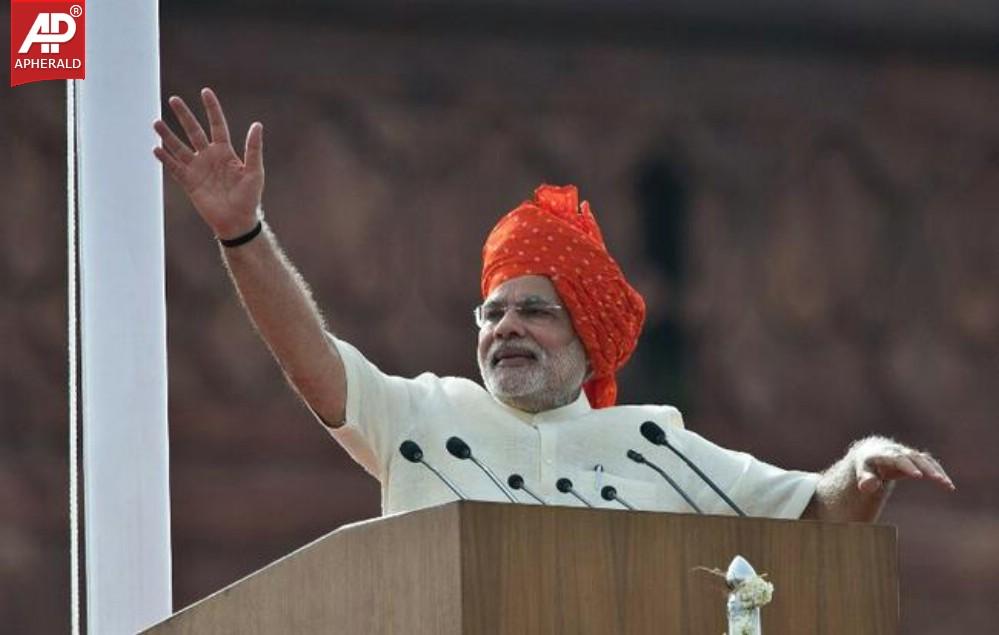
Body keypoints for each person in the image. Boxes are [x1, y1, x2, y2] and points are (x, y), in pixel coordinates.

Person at [153, 88, 954, 521]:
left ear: (585, 332)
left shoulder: (657, 446)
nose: (504, 325)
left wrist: (863, 467)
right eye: (491, 311)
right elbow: (309, 356)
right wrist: (242, 233)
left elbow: (812, 510)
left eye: (531, 310)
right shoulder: (421, 415)